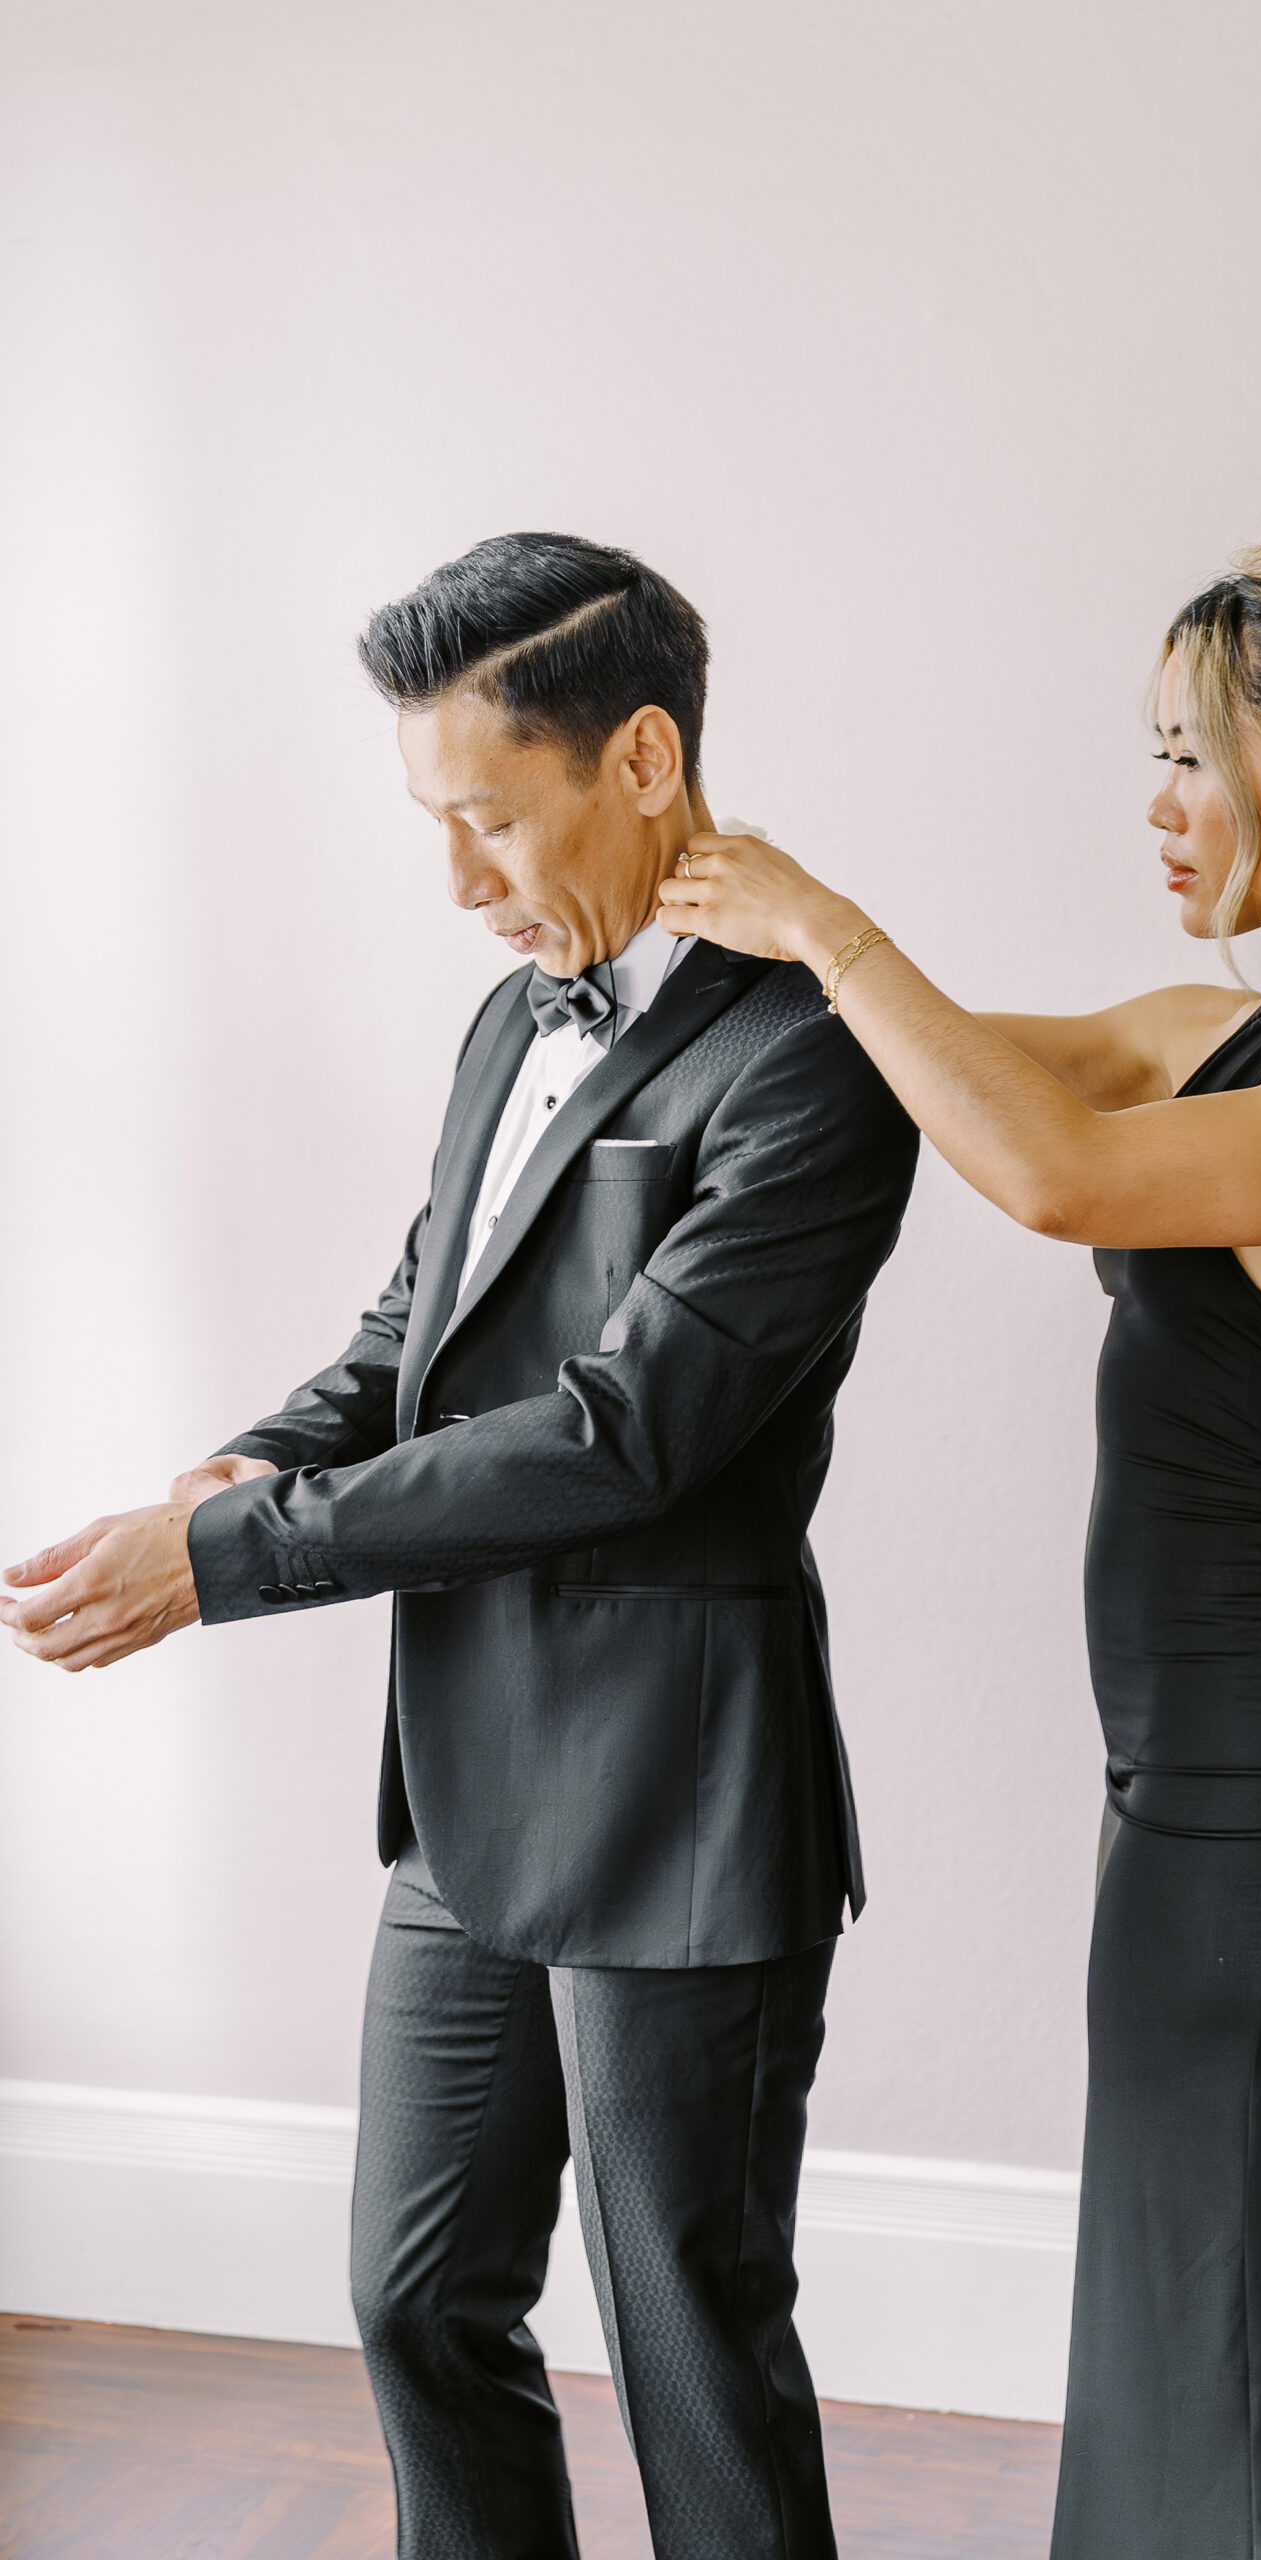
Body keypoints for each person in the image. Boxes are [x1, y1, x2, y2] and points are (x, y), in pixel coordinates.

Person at [654, 445, 1261, 2560]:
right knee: (1209, 2307)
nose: (1154, 803)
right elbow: (929, 1061)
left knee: (1226, 2317)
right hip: (1201, 1775)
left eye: (1189, 760)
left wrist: (832, 917)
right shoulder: (1216, 1034)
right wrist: (658, 895)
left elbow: (1046, 1171)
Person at [0, 534, 919, 2560]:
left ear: (647, 758)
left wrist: (238, 1567)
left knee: (687, 2333)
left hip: (679, 1801)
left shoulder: (819, 1059)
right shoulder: (509, 1027)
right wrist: (237, 1465)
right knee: (415, 2294)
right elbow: (410, 1335)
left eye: (489, 817)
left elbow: (624, 1435)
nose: (460, 879)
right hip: (468, 1789)